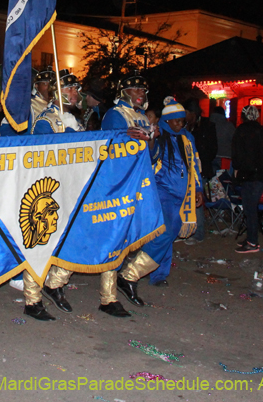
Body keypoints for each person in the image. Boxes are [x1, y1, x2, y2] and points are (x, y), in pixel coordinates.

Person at [118, 99, 200, 299]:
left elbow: (194, 164)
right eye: (176, 121)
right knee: (165, 233)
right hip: (162, 191)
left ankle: (158, 274)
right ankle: (131, 274)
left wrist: (198, 188)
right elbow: (151, 156)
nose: (180, 125)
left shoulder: (187, 138)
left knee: (168, 235)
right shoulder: (159, 135)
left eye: (182, 121)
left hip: (183, 194)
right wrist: (152, 139)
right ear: (167, 121)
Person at [21, 69, 86, 320]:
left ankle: (55, 283)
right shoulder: (46, 120)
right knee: (41, 243)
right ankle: (32, 299)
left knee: (72, 240)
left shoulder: (74, 120)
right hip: (50, 191)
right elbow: (46, 156)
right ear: (58, 93)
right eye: (70, 89)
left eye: (76, 90)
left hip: (72, 188)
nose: (75, 94)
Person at [100, 73, 160, 316]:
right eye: (136, 89)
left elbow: (150, 154)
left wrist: (151, 139)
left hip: (139, 182)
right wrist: (132, 139)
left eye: (143, 89)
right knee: (113, 239)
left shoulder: (141, 116)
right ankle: (107, 298)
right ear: (124, 91)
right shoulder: (116, 114)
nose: (141, 93)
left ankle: (126, 279)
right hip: (118, 184)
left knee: (136, 235)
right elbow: (112, 150)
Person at [231, 105, 263, 253]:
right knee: (250, 208)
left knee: (249, 209)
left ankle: (253, 242)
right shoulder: (262, 131)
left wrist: (237, 170)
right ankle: (251, 238)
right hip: (260, 174)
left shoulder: (241, 131)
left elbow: (237, 154)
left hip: (248, 175)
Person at [183, 98, 216, 243]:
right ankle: (187, 230)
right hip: (186, 169)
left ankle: (198, 233)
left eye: (186, 113)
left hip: (199, 169)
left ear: (192, 113)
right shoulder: (185, 127)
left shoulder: (206, 126)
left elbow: (211, 149)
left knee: (196, 200)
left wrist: (199, 162)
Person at [210, 106, 235, 173]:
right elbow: (234, 141)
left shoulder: (208, 125)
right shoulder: (228, 126)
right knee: (224, 179)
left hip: (210, 157)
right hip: (225, 158)